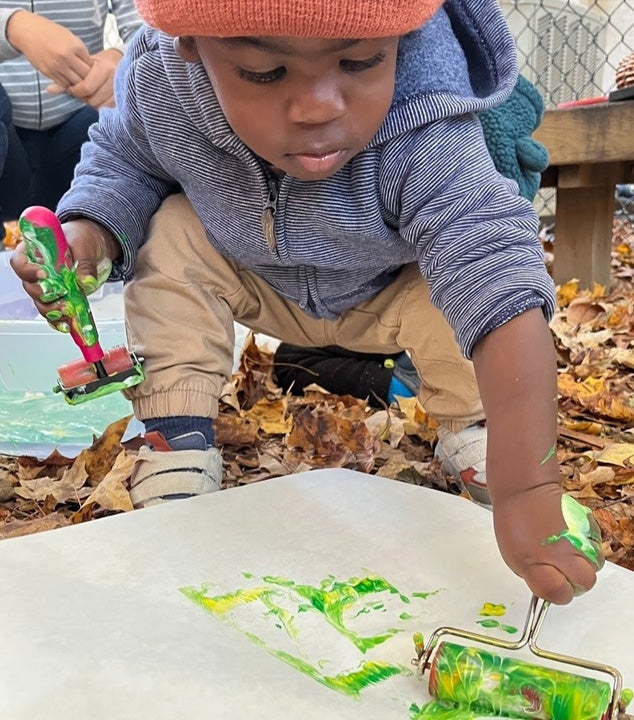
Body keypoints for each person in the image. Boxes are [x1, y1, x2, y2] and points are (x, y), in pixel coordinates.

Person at [10, 0, 603, 605]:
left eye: (360, 61)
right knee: (173, 229)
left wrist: (528, 486)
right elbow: (123, 163)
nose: (318, 105)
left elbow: (495, 273)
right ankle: (177, 434)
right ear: (190, 42)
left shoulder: (427, 120)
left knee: (460, 279)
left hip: (388, 293)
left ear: (405, 35)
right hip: (255, 279)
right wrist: (88, 235)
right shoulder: (160, 85)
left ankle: (471, 426)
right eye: (265, 74)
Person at [272, 72, 550, 508]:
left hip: (426, 327)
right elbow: (289, 361)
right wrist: (388, 385)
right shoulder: (374, 201)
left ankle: (470, 429)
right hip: (355, 313)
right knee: (297, 356)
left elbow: (484, 264)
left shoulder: (459, 263)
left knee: (466, 321)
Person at [0, 0, 142, 245]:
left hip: (85, 120)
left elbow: (153, 24)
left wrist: (124, 60)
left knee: (141, 105)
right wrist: (10, 25)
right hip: (7, 140)